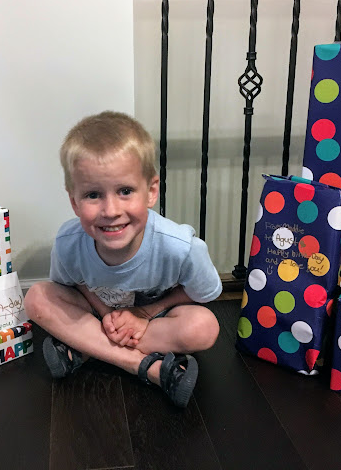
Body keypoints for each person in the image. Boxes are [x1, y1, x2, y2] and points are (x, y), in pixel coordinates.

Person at [23, 111, 222, 408]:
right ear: (74, 202)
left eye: (125, 191)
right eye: (93, 195)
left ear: (151, 191)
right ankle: (146, 366)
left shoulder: (181, 247)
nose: (111, 210)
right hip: (99, 316)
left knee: (204, 327)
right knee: (37, 298)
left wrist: (144, 315)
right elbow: (74, 284)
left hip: (154, 321)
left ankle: (85, 349)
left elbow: (204, 293)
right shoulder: (68, 243)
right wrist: (106, 314)